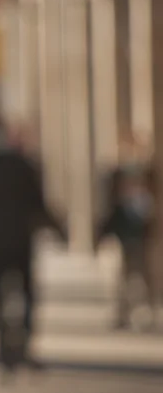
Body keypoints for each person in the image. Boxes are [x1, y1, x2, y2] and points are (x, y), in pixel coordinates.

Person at [0, 128, 66, 378]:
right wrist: (56, 229)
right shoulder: (24, 167)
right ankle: (25, 346)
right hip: (21, 240)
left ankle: (4, 350)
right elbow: (38, 202)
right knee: (26, 295)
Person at [96, 133, 157, 330]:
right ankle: (122, 313)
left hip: (143, 231)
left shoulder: (148, 172)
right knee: (122, 274)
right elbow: (108, 206)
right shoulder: (115, 173)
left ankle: (147, 312)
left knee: (144, 273)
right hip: (124, 231)